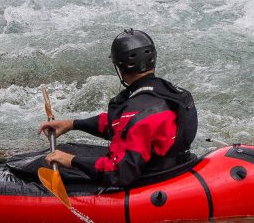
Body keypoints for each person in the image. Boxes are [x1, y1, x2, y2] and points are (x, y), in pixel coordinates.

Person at [38, 29, 198, 187]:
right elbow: (120, 124)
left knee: (39, 164)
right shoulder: (173, 93)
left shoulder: (136, 113)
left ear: (120, 67)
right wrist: (72, 124)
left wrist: (70, 160)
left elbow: (119, 173)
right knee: (68, 151)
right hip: (175, 166)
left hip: (151, 178)